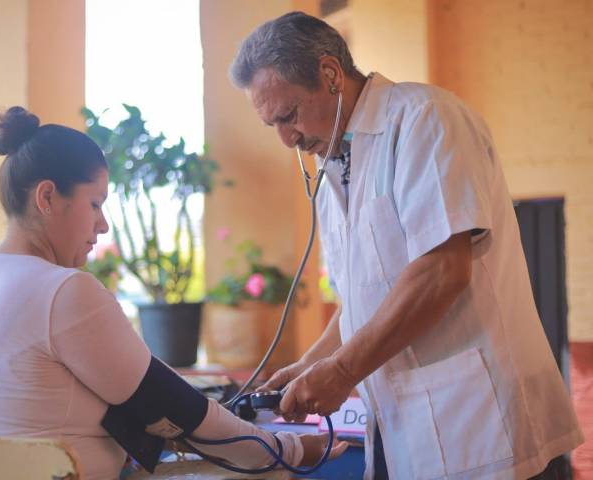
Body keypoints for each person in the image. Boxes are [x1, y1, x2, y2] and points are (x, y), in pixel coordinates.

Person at [230, 11, 583, 480]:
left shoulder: (425, 119)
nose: (286, 139)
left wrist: (342, 371)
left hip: (484, 421)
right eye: (272, 125)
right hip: (405, 428)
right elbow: (366, 298)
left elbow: (442, 271)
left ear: (330, 74)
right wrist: (310, 363)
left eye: (289, 115)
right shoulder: (337, 162)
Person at [0, 106, 346, 480]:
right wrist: (293, 450)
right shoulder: (62, 291)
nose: (103, 225)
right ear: (47, 197)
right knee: (270, 473)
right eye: (95, 204)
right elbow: (179, 412)